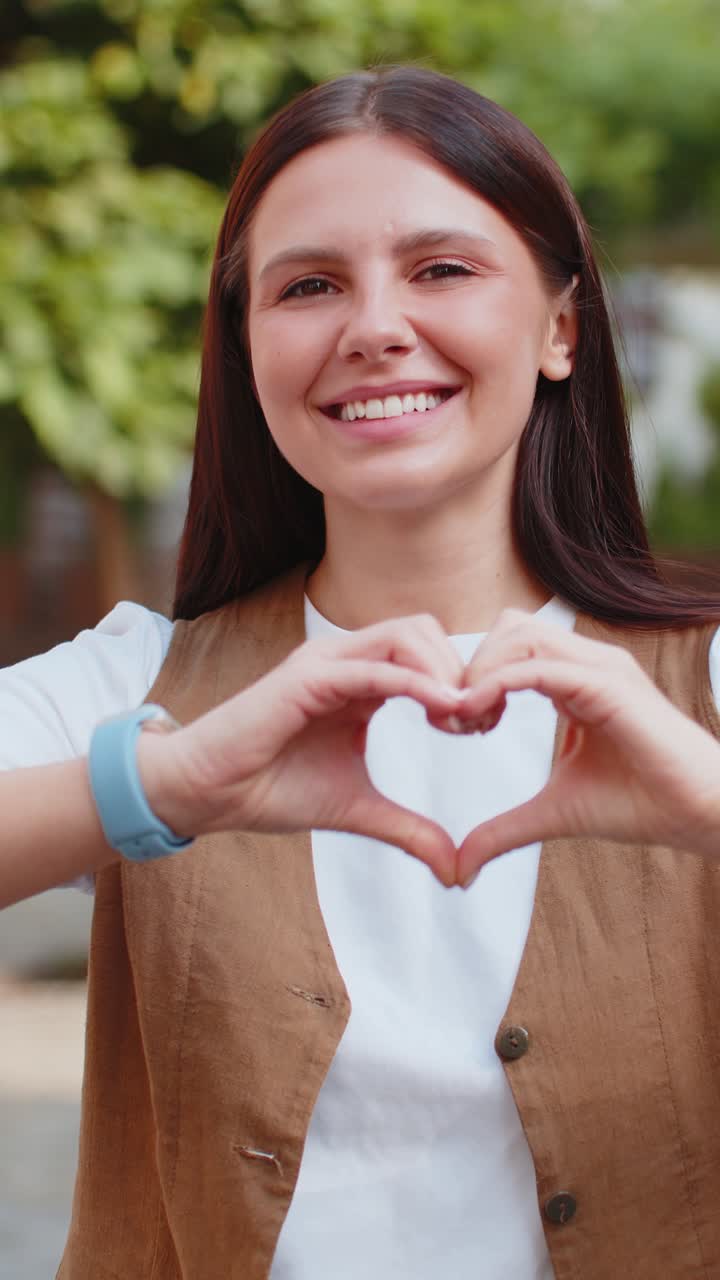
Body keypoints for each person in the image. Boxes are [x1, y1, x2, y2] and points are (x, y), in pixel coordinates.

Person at [2, 64, 720, 1280]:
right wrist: (161, 787)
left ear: (559, 328)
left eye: (442, 269)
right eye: (308, 285)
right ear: (243, 347)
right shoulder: (142, 679)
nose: (373, 325)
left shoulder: (703, 681)